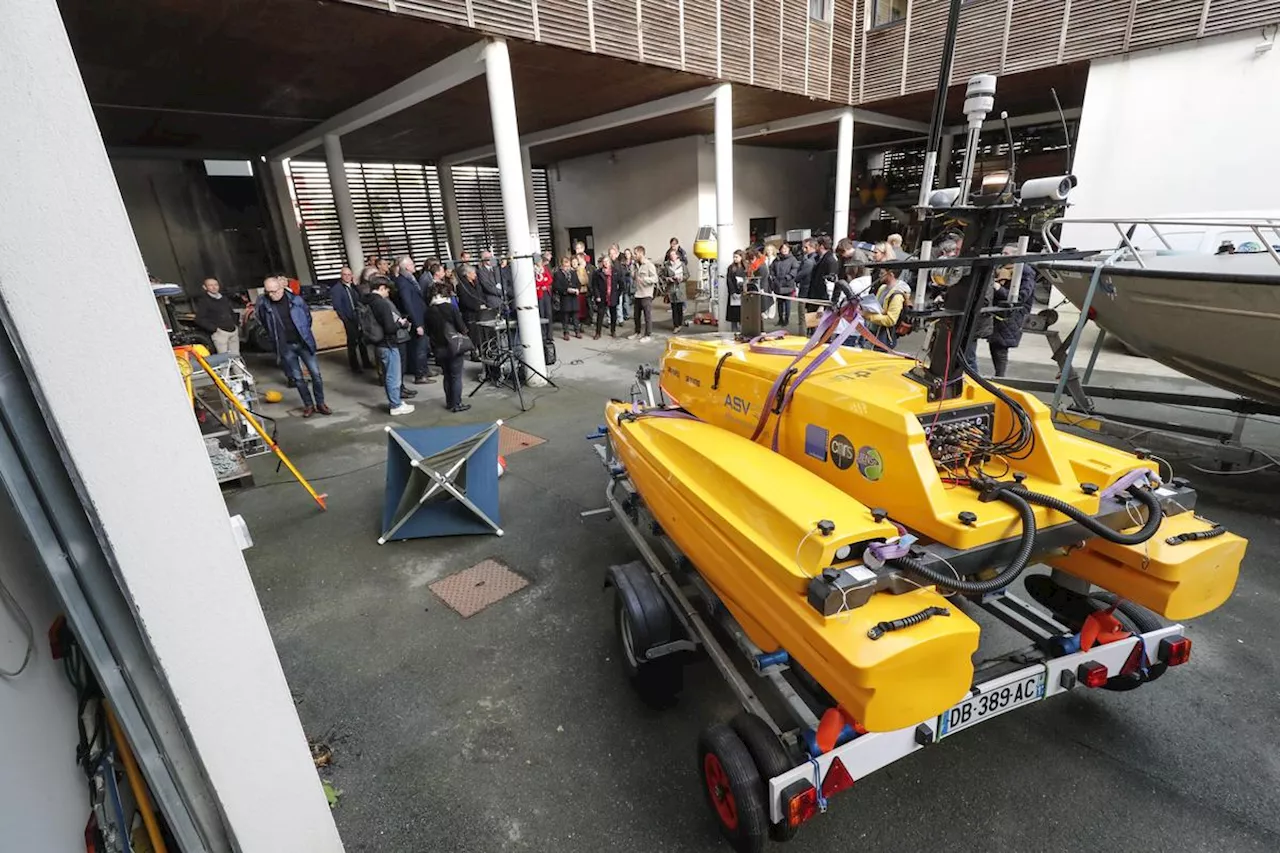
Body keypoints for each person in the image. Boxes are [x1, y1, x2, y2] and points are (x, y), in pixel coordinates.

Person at [256, 276, 330, 417]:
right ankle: (308, 405)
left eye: (274, 291)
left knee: (316, 375)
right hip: (286, 346)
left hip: (303, 343)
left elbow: (307, 318)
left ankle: (320, 403)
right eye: (268, 292)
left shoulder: (296, 300)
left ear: (282, 288)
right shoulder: (265, 305)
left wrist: (303, 333)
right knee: (297, 378)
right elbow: (264, 323)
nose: (272, 295)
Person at [363, 276, 415, 415]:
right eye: (387, 290)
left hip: (378, 343)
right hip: (388, 343)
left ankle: (395, 400)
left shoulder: (367, 301)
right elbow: (390, 328)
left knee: (387, 375)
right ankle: (395, 405)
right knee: (393, 376)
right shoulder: (382, 304)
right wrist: (401, 324)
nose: (388, 293)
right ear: (381, 288)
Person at [985, 245, 1036, 377]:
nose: (1002, 255)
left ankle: (1000, 377)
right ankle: (999, 376)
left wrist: (997, 288)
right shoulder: (1002, 269)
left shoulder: (1025, 272)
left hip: (1012, 314)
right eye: (1002, 252)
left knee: (1001, 346)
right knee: (995, 344)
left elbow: (1021, 296)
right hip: (999, 312)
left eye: (1006, 253)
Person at [425, 280, 472, 413]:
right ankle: (457, 403)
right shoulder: (450, 308)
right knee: (456, 376)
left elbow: (427, 331)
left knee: (446, 375)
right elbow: (462, 327)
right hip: (454, 346)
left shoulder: (428, 311)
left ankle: (449, 402)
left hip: (438, 347)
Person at [394, 256, 433, 385]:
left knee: (423, 346)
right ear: (405, 267)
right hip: (417, 319)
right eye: (411, 263)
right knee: (419, 348)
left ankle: (424, 369)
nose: (414, 265)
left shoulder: (409, 279)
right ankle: (420, 374)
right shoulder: (402, 282)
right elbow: (408, 303)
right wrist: (417, 324)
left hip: (421, 316)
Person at [329, 266, 372, 373]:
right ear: (341, 276)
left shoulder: (354, 287)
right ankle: (355, 366)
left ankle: (366, 363)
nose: (347, 277)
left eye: (349, 274)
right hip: (349, 319)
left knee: (362, 341)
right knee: (352, 342)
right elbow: (337, 306)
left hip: (359, 317)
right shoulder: (337, 289)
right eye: (345, 275)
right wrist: (345, 319)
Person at [863, 267, 911, 348]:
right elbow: (879, 309)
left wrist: (868, 316)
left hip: (883, 337)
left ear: (891, 275)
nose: (879, 275)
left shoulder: (897, 296)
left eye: (882, 273)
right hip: (872, 332)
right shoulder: (882, 288)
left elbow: (891, 320)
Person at [194, 277, 240, 355]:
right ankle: (226, 368)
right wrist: (214, 329)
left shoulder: (224, 299)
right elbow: (199, 319)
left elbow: (230, 312)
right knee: (223, 359)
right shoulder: (204, 301)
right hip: (220, 334)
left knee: (236, 356)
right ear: (205, 287)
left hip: (233, 331)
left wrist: (235, 324)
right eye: (210, 285)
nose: (214, 287)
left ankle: (238, 368)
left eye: (216, 285)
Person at [454, 263, 485, 358]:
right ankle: (473, 353)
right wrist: (477, 306)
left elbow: (480, 294)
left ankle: (482, 350)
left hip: (480, 311)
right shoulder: (462, 286)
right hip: (469, 312)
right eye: (473, 273)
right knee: (473, 333)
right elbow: (465, 300)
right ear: (468, 274)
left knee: (481, 333)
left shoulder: (476, 283)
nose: (475, 275)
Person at [589, 255, 621, 339]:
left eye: (607, 261)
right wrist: (597, 296)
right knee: (600, 315)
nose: (606, 263)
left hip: (612, 296)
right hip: (602, 297)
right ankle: (598, 333)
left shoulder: (615, 272)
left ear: (610, 262)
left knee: (613, 314)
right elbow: (594, 285)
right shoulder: (598, 272)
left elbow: (621, 284)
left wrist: (618, 294)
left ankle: (613, 331)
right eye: (604, 261)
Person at [630, 246, 658, 342]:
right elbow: (633, 277)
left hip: (646, 294)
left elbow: (655, 279)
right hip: (637, 293)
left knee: (647, 316)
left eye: (635, 253)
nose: (634, 255)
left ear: (641, 253)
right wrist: (632, 269)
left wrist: (645, 279)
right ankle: (637, 332)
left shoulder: (649, 265)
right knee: (636, 315)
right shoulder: (636, 265)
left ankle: (648, 335)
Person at [770, 242, 799, 328]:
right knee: (779, 303)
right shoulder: (777, 259)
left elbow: (795, 269)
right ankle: (780, 319)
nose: (784, 250)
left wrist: (788, 277)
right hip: (778, 284)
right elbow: (771, 269)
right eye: (783, 248)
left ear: (789, 249)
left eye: (786, 248)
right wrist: (774, 277)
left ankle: (786, 319)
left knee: (787, 303)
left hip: (788, 284)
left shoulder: (792, 259)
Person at [554, 256, 582, 339]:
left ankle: (577, 331)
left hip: (573, 297)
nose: (567, 268)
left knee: (575, 316)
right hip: (565, 297)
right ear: (562, 266)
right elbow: (556, 286)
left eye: (568, 266)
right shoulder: (558, 274)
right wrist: (566, 290)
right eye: (565, 266)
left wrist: (577, 289)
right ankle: (566, 332)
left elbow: (578, 283)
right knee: (565, 316)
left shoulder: (573, 273)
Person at [661, 248, 687, 330]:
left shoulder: (682, 265)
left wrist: (681, 278)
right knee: (674, 307)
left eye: (674, 254)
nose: (672, 256)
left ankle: (680, 323)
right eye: (671, 255)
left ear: (677, 256)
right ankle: (676, 325)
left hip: (680, 288)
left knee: (680, 307)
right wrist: (668, 278)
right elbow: (663, 276)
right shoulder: (667, 265)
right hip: (672, 288)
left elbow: (687, 275)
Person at [725, 250, 747, 332]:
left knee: (743, 314)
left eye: (736, 257)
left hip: (743, 293)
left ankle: (743, 331)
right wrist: (732, 292)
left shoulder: (746, 267)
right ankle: (734, 332)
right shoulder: (731, 268)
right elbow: (729, 280)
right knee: (734, 315)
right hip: (734, 294)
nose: (735, 259)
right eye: (734, 257)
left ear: (741, 257)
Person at [534, 256, 554, 340]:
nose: (539, 262)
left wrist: (544, 284)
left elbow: (549, 279)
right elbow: (535, 282)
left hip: (546, 292)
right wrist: (542, 283)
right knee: (541, 313)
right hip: (539, 293)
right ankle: (543, 334)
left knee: (548, 313)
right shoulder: (533, 270)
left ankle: (550, 334)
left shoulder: (545, 269)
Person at [573, 254, 592, 326]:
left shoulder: (581, 269)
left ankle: (583, 321)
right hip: (577, 291)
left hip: (583, 290)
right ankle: (578, 322)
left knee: (584, 307)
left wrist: (580, 281)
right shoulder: (574, 270)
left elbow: (585, 280)